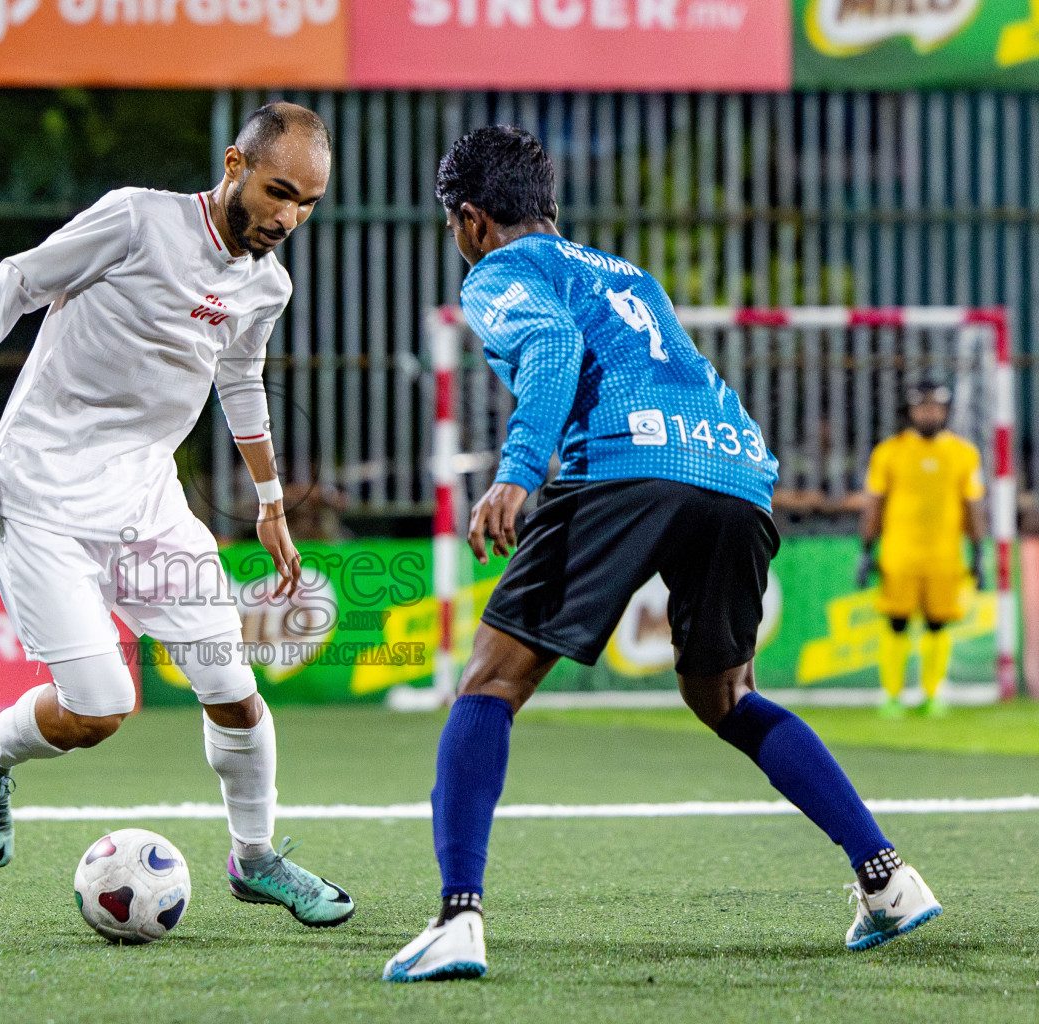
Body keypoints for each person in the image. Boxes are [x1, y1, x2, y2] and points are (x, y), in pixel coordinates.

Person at [383, 126, 941, 983]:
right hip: (735, 468)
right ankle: (887, 878)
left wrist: (519, 470)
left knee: (491, 680)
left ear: (468, 219)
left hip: (628, 461)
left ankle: (458, 919)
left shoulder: (499, 271)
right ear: (551, 206)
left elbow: (555, 349)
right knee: (723, 692)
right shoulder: (627, 273)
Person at [0, 103, 353, 927]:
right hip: (40, 495)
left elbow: (241, 382)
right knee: (99, 710)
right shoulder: (136, 219)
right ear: (234, 166)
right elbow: (16, 281)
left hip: (146, 504)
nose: (289, 217)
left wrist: (270, 503)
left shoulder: (266, 284)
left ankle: (255, 860)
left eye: (308, 203)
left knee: (233, 688)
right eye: (279, 192)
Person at [858, 381, 984, 718]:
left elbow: (972, 506)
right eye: (923, 407)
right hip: (900, 554)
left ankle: (933, 692)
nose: (929, 413)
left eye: (936, 407)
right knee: (896, 622)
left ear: (946, 411)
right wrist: (866, 551)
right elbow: (875, 504)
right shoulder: (889, 452)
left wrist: (979, 553)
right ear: (910, 411)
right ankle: (892, 694)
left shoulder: (964, 453)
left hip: (944, 555)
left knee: (938, 624)